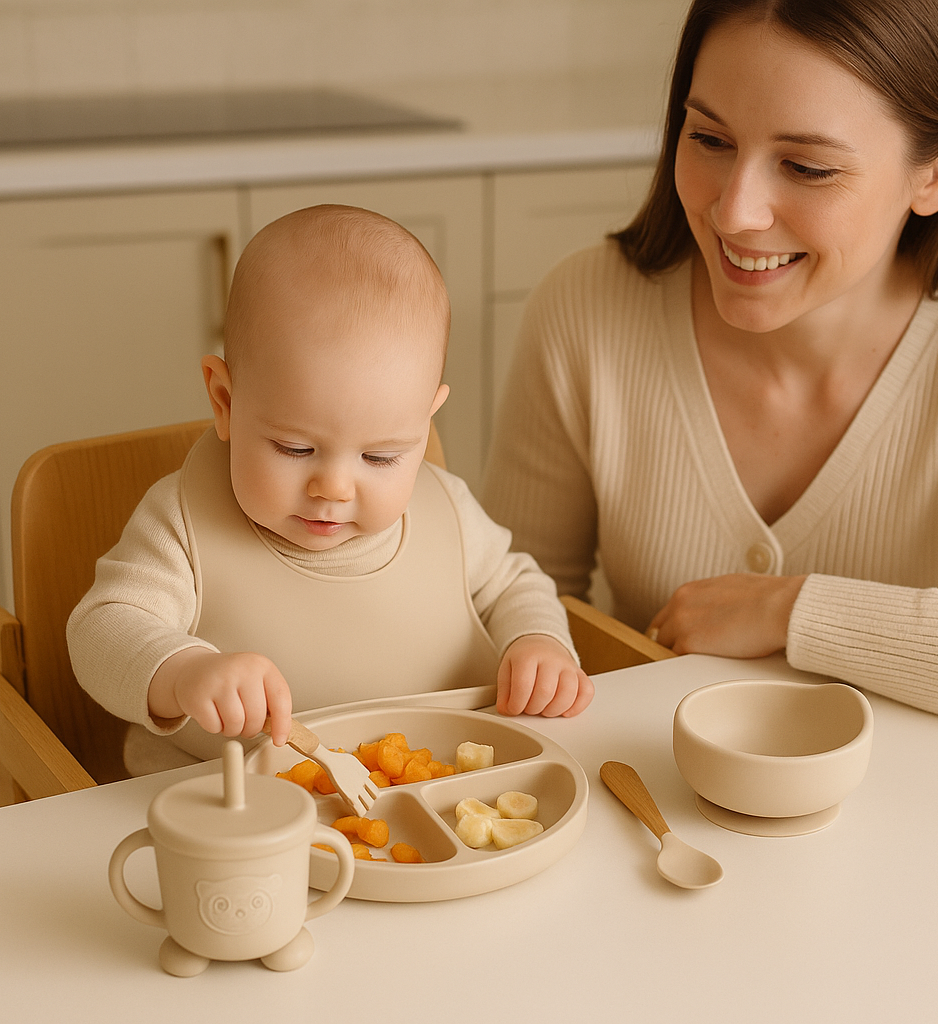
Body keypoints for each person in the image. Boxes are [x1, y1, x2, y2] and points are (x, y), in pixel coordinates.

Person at [483, 0, 938, 730]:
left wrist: (793, 610)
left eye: (807, 166)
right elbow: (499, 609)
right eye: (709, 138)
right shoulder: (586, 310)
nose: (734, 212)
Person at [68, 205, 592, 775]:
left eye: (380, 456)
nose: (334, 487)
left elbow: (514, 583)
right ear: (224, 401)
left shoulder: (450, 514)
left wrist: (539, 642)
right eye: (295, 449)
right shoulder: (183, 525)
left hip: (429, 795)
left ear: (426, 420)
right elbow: (102, 629)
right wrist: (181, 671)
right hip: (223, 817)